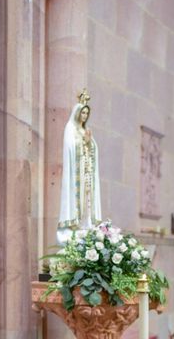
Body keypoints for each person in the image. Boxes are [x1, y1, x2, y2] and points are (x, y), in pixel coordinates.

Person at [57, 90, 102, 244]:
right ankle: (75, 229)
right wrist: (83, 141)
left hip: (87, 173)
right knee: (79, 199)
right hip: (77, 175)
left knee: (88, 199)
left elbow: (93, 148)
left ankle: (87, 226)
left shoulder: (85, 130)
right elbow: (70, 147)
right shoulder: (71, 128)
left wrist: (89, 142)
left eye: (86, 114)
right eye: (82, 112)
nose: (84, 116)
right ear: (77, 113)